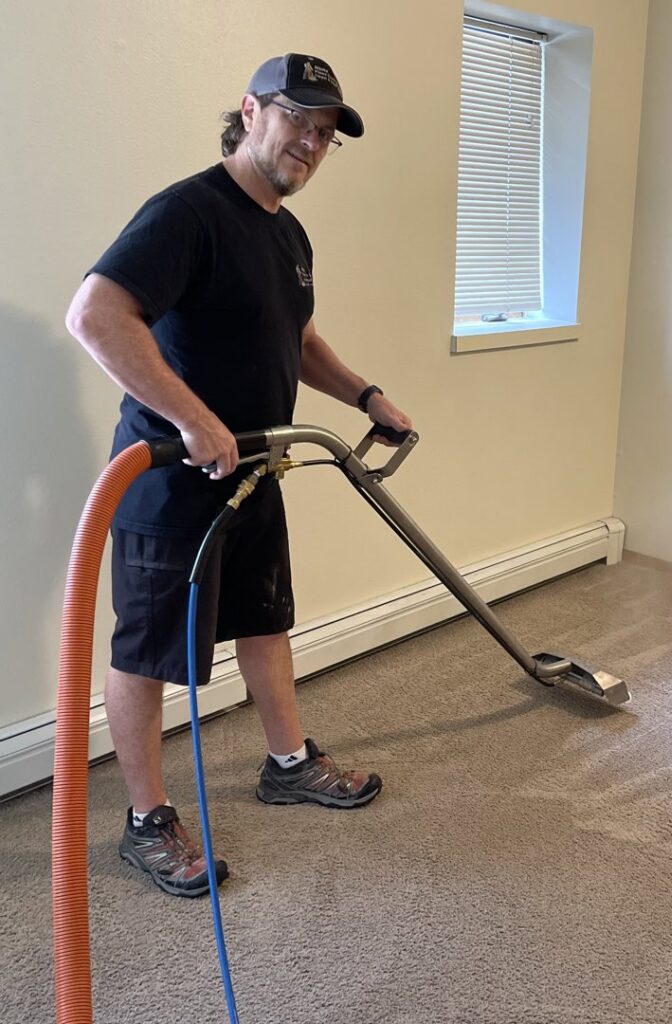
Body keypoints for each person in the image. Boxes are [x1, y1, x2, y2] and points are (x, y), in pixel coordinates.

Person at [65, 53, 411, 898]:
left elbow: (294, 340)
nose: (311, 143)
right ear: (252, 111)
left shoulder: (286, 231)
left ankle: (287, 763)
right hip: (170, 482)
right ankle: (145, 820)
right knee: (146, 654)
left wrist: (364, 394)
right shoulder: (188, 212)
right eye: (299, 119)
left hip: (254, 468)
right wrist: (190, 417)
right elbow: (97, 314)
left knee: (264, 620)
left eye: (326, 134)